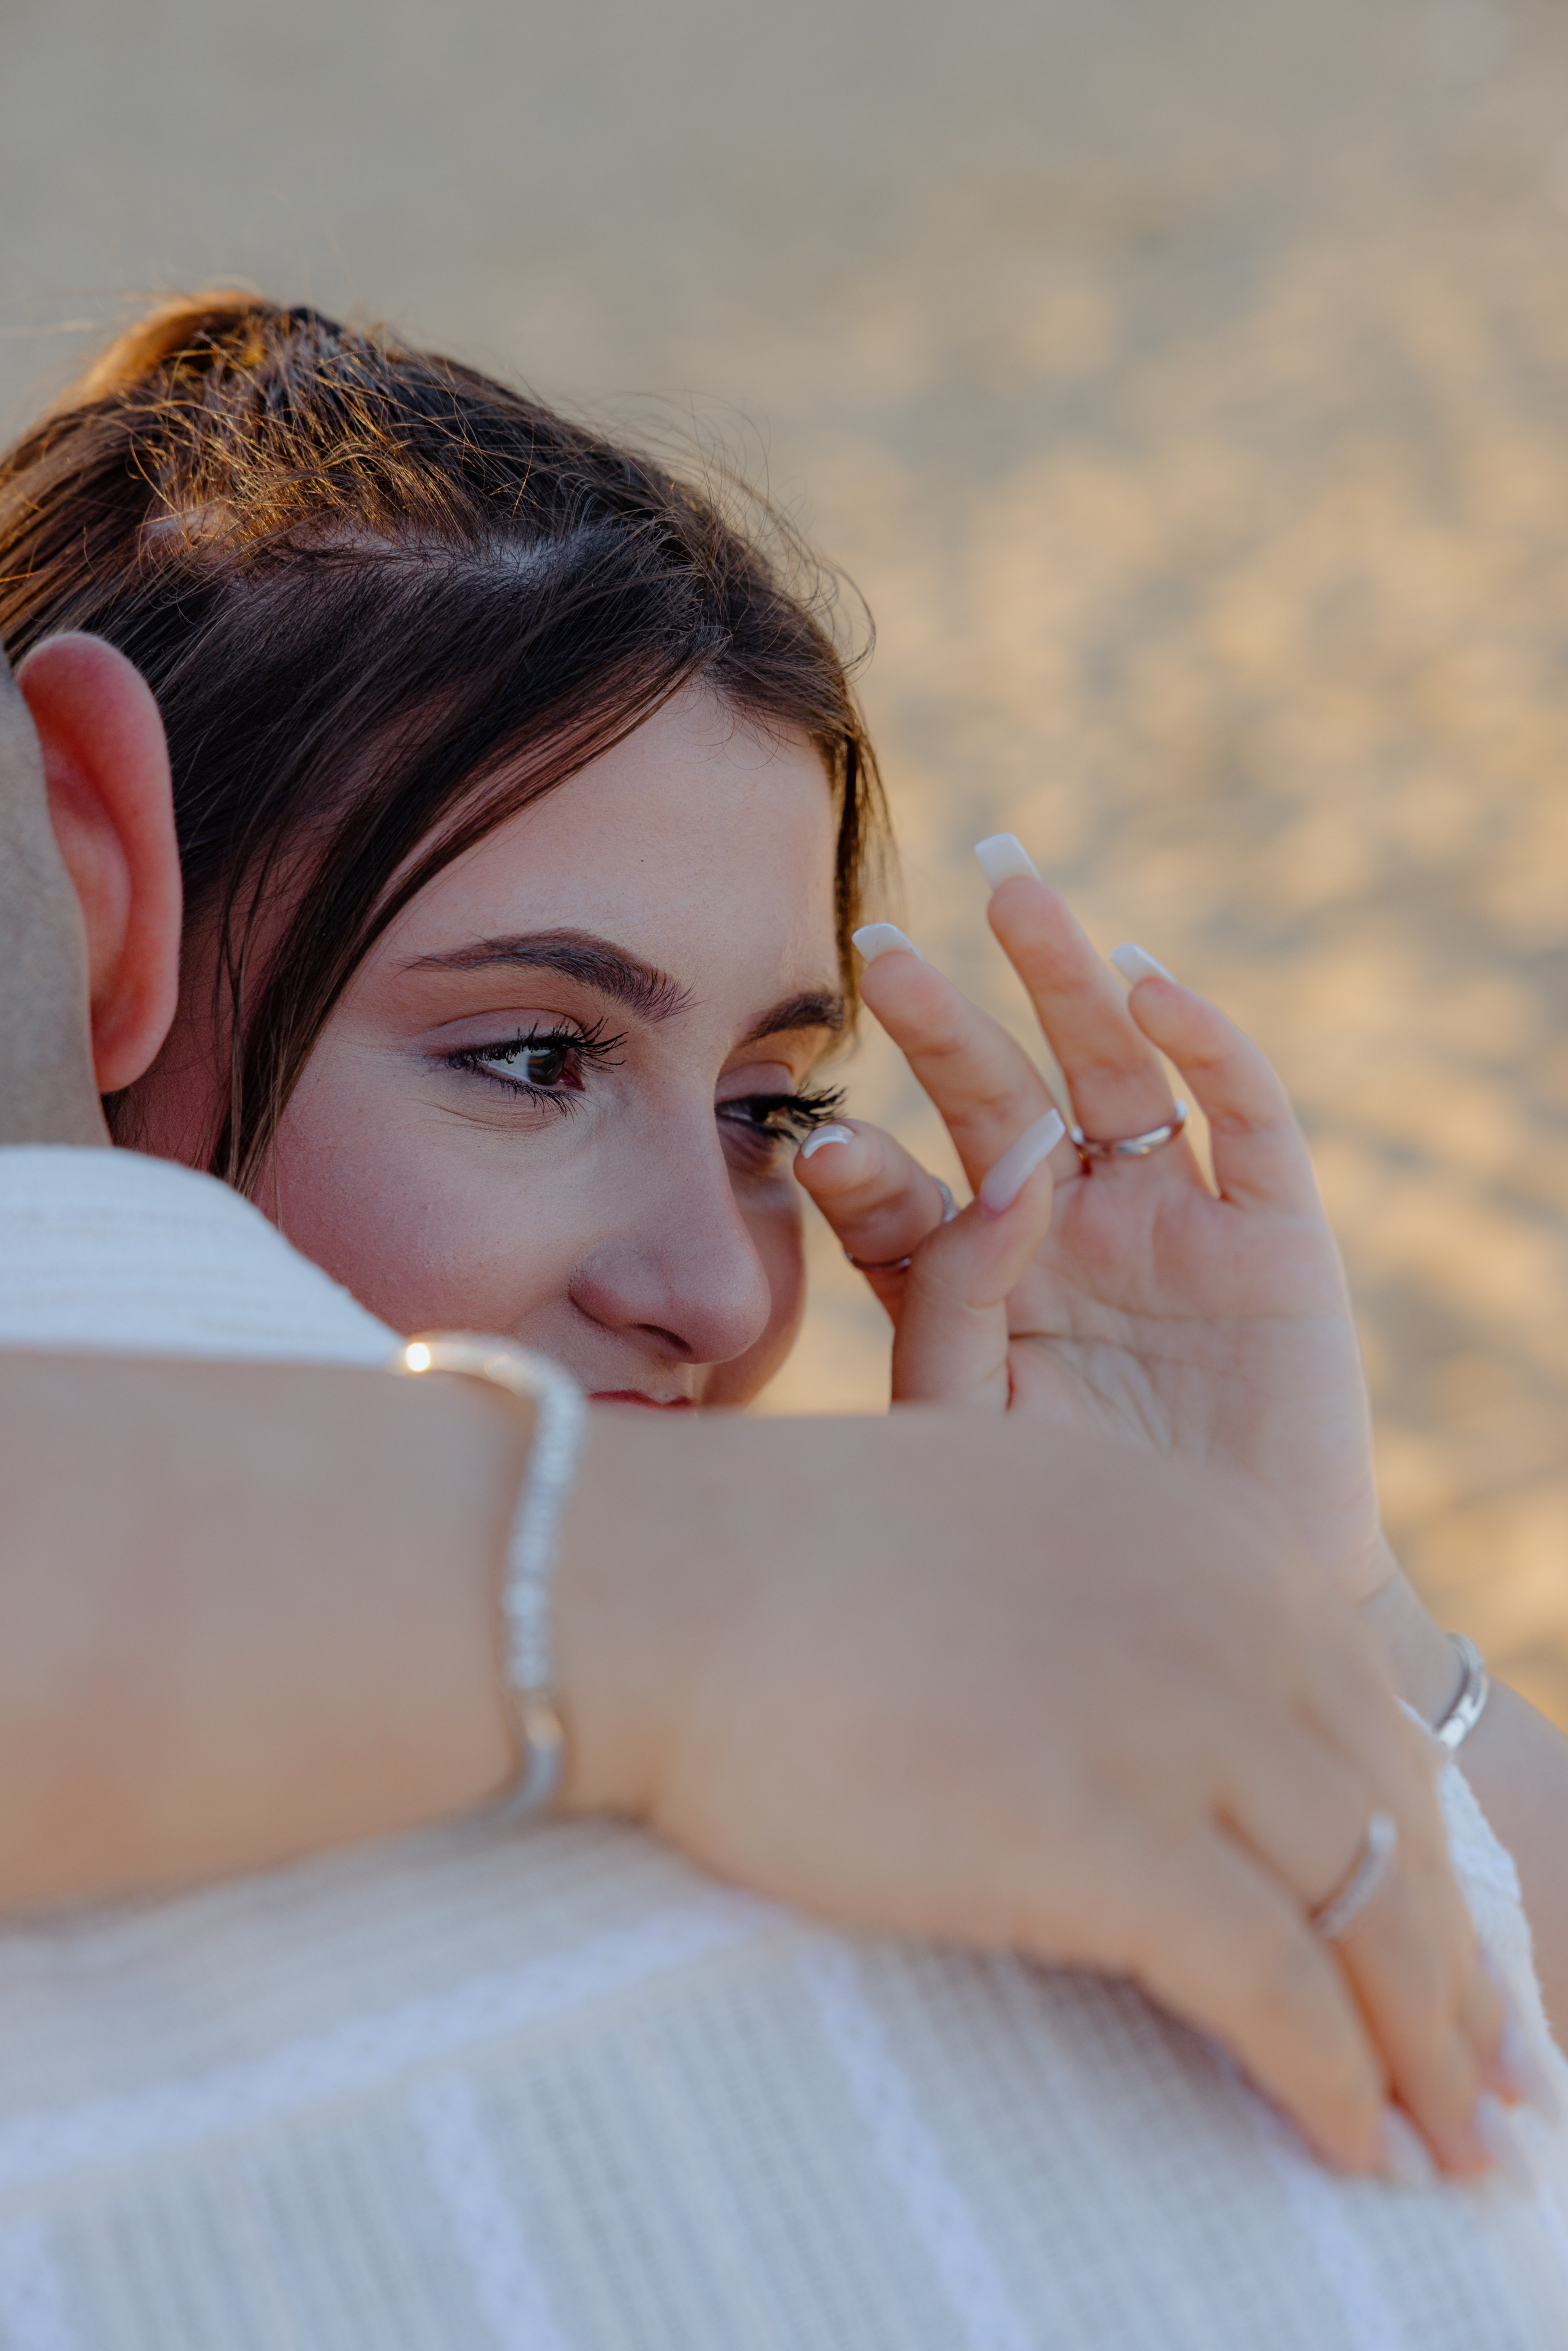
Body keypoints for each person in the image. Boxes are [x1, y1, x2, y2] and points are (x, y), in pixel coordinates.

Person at [0, 298, 1564, 2336]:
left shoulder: (877, 1729)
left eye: (768, 1110)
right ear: (100, 898)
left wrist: (1313, 1597)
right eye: (533, 1058)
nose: (725, 1290)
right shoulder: (738, 1727)